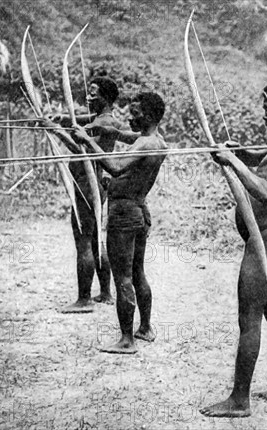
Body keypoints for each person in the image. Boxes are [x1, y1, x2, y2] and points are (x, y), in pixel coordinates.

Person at [200, 81, 267, 417]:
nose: (263, 115)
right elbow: (260, 159)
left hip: (266, 242)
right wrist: (239, 152)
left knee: (248, 320)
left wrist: (232, 159)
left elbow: (266, 189)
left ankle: (239, 400)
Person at [72, 92, 167, 354]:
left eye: (134, 113)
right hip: (138, 210)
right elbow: (128, 141)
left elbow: (114, 166)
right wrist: (104, 129)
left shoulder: (144, 145)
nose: (129, 117)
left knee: (123, 276)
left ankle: (127, 340)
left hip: (124, 215)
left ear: (147, 115)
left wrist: (88, 142)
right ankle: (145, 327)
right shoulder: (157, 141)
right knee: (137, 272)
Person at [47, 77, 124, 313]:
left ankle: (84, 300)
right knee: (93, 239)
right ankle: (105, 292)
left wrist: (56, 132)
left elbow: (82, 146)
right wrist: (61, 120)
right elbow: (81, 122)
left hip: (88, 186)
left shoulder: (105, 122)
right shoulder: (101, 119)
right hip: (93, 185)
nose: (89, 98)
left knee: (83, 240)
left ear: (107, 98)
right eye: (89, 93)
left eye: (94, 95)